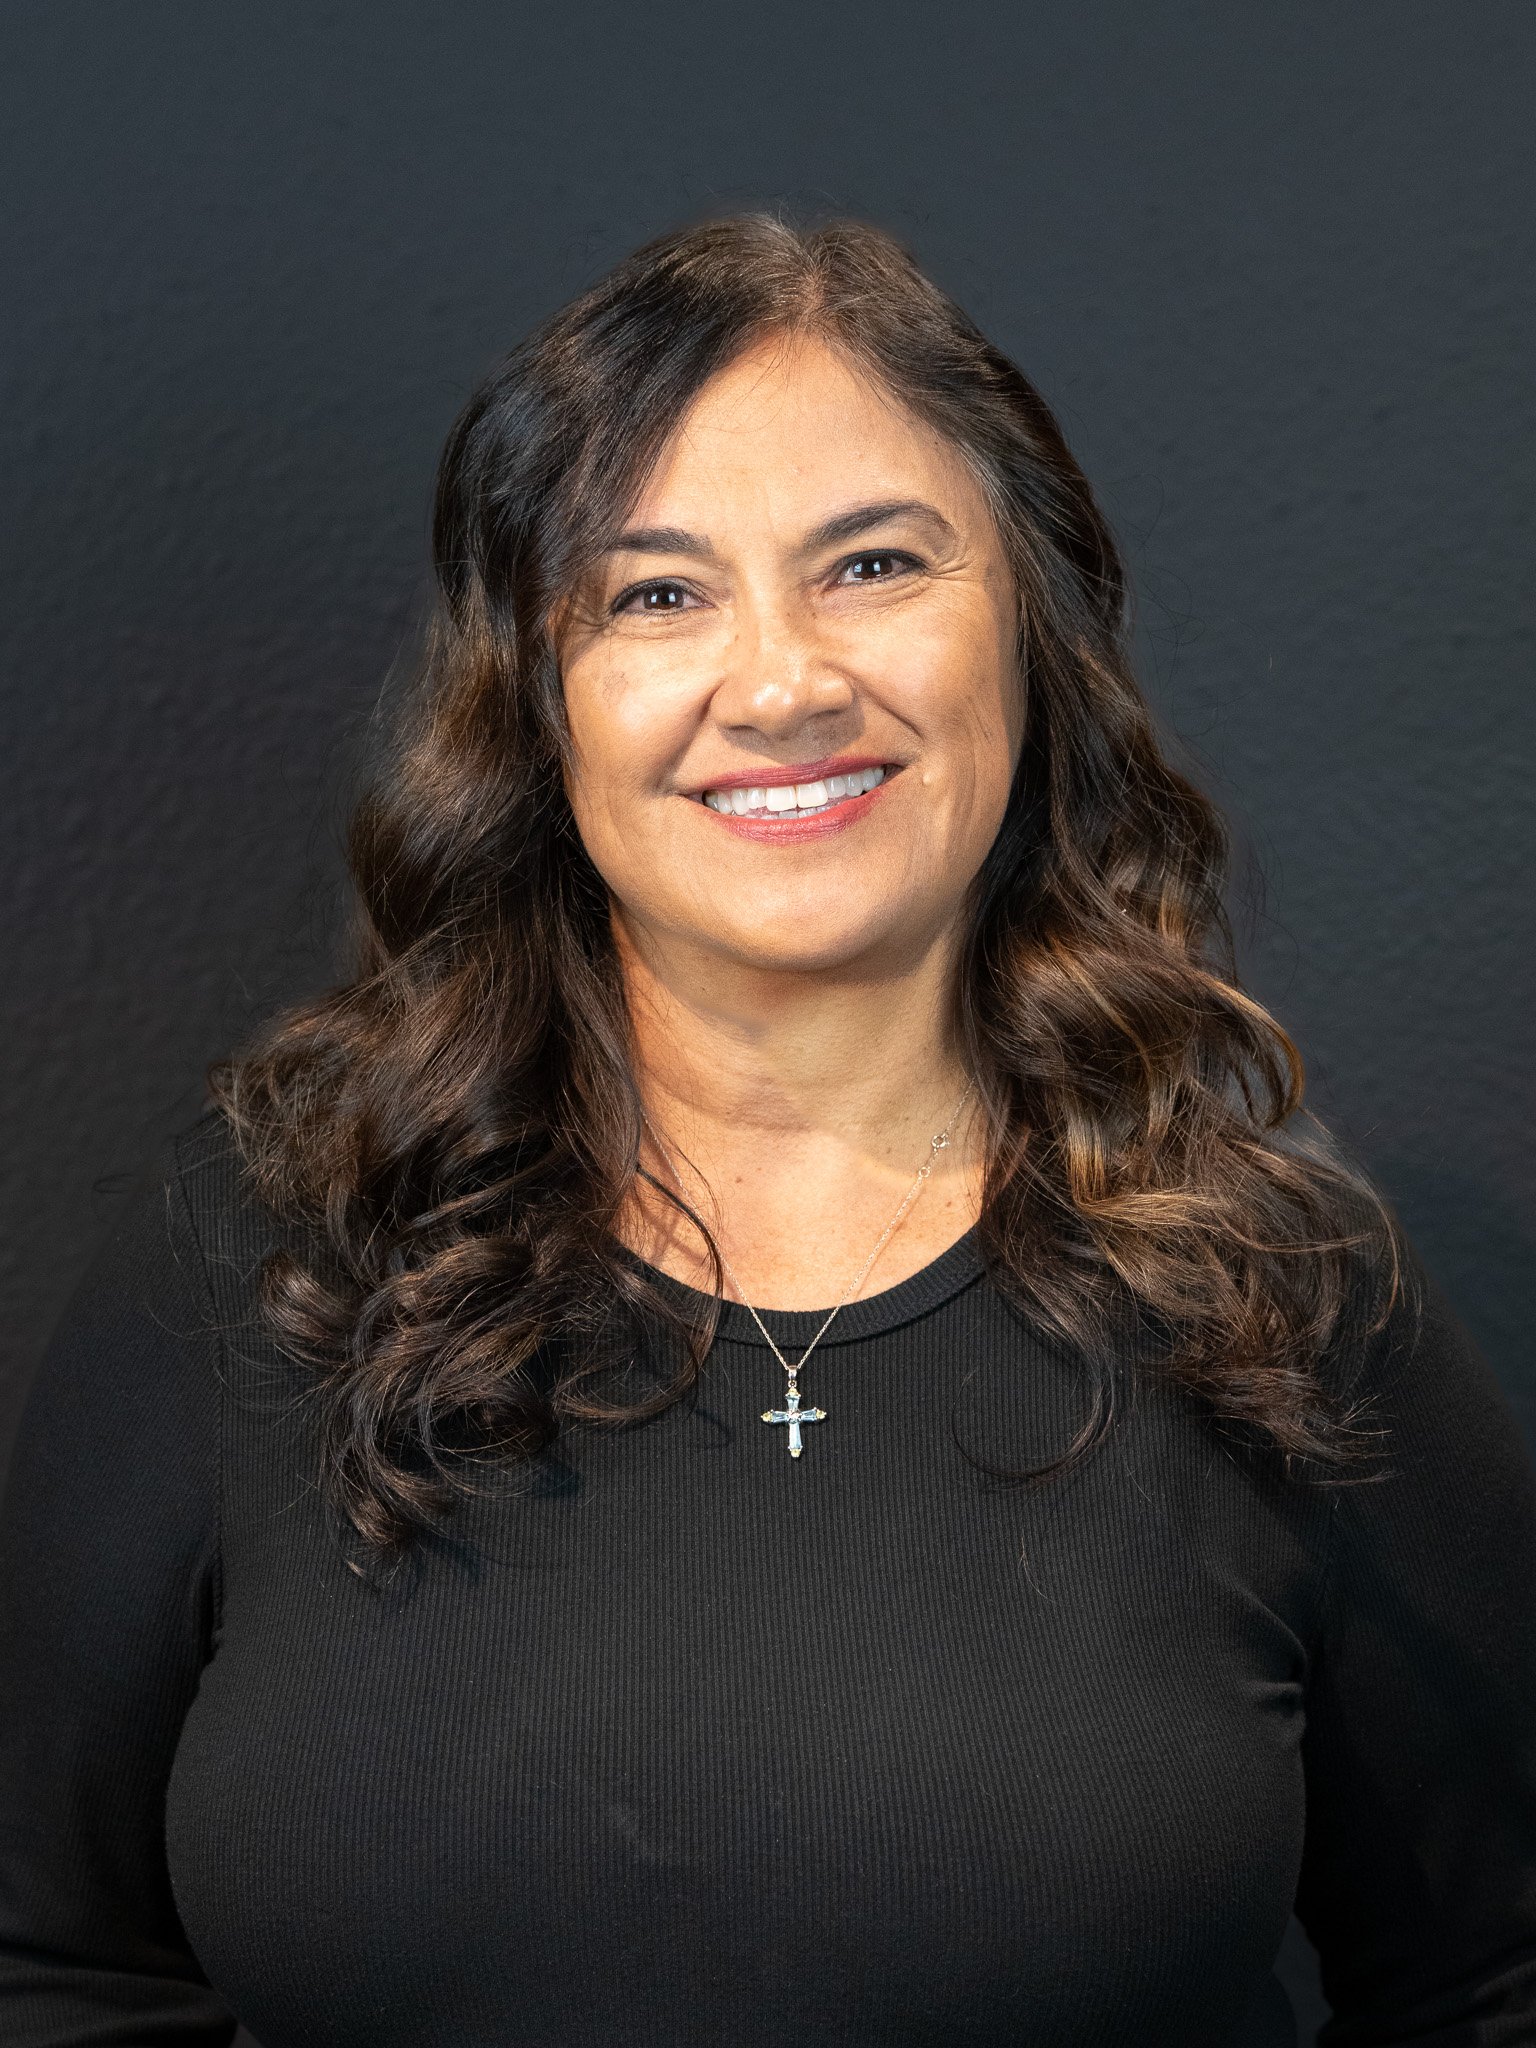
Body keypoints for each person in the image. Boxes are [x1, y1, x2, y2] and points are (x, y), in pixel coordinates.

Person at [2, 212, 1533, 2048]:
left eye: (874, 564)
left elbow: (1495, 1985)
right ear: (535, 699)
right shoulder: (267, 1249)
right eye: (656, 596)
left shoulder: (1279, 1296)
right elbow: (47, 1966)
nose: (787, 681)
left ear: (1030, 632)